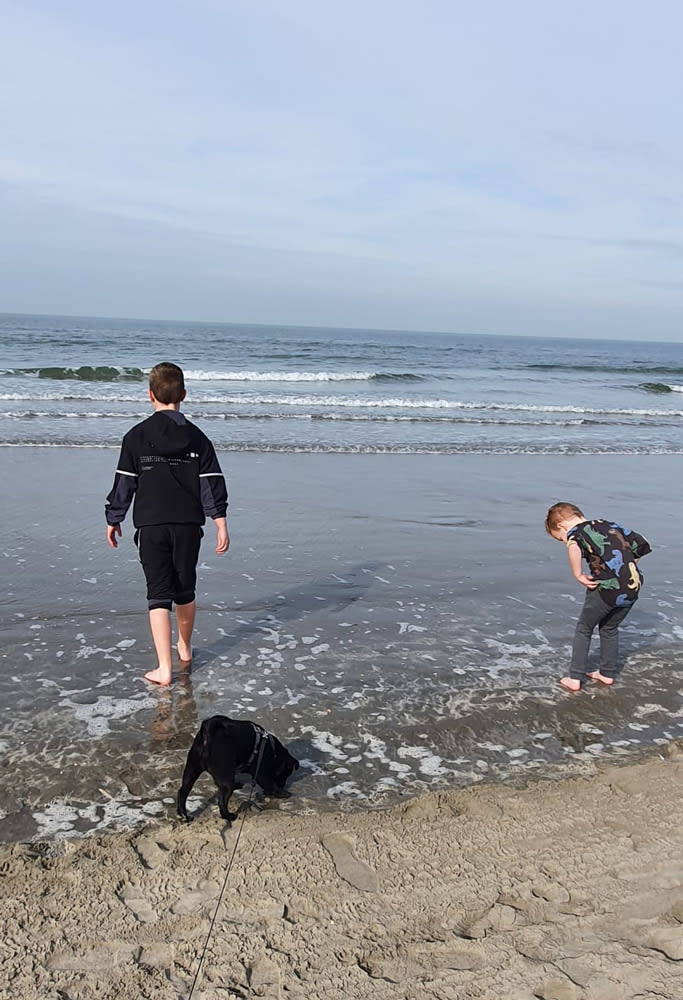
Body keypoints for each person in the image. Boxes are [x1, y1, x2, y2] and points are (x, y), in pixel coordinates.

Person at [105, 362, 229, 685]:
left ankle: (164, 668)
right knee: (185, 590)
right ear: (183, 395)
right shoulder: (198, 438)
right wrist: (220, 521)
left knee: (158, 594)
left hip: (151, 526)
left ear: (150, 395)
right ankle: (184, 648)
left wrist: (113, 517)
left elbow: (124, 483)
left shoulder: (135, 437)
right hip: (189, 526)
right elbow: (210, 483)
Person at [545, 502, 651, 692]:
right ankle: (607, 674)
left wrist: (577, 574)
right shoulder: (609, 525)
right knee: (610, 628)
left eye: (559, 538)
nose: (563, 541)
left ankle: (575, 678)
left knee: (584, 628)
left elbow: (573, 547)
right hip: (633, 586)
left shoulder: (576, 532)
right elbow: (642, 543)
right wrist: (629, 565)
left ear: (561, 525)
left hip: (607, 587)